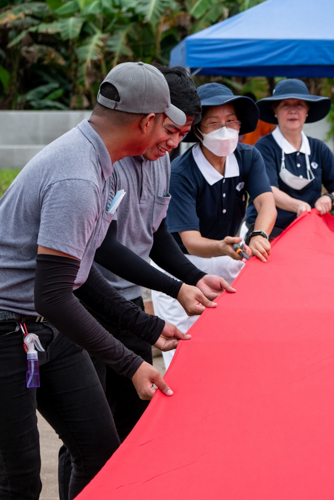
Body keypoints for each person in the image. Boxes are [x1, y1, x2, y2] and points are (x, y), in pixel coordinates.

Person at [0, 62, 188, 499]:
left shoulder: (99, 158)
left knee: (100, 451)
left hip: (43, 327)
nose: (169, 137)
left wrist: (148, 327)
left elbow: (78, 272)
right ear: (147, 121)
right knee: (19, 477)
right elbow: (54, 295)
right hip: (8, 327)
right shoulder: (78, 176)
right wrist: (131, 362)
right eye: (166, 124)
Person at [152, 82, 277, 369]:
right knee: (182, 351)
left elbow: (266, 203)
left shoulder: (248, 156)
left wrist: (258, 234)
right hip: (182, 265)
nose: (225, 130)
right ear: (197, 130)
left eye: (231, 121)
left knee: (232, 346)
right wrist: (222, 246)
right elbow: (192, 240)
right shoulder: (181, 172)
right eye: (214, 123)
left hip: (229, 256)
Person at [244, 79, 334, 238]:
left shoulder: (318, 148)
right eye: (285, 105)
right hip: (268, 231)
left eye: (299, 105)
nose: (293, 111)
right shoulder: (263, 147)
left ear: (307, 111)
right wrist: (298, 206)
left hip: (307, 229)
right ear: (274, 110)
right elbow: (269, 191)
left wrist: (329, 198)